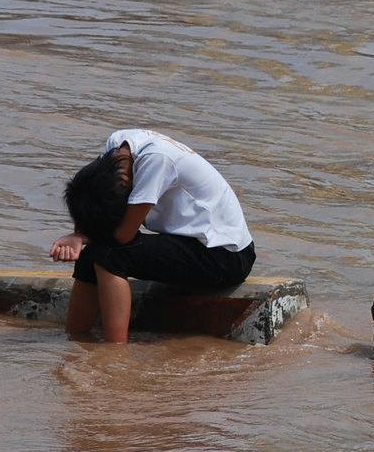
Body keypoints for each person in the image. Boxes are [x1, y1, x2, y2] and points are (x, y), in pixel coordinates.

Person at [48, 128, 256, 342]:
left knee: (110, 256)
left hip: (227, 257)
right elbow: (93, 200)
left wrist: (82, 237)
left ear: (125, 183)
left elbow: (124, 236)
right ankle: (75, 337)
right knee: (89, 257)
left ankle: (114, 351)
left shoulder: (155, 161)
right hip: (190, 243)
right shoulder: (117, 145)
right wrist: (80, 234)